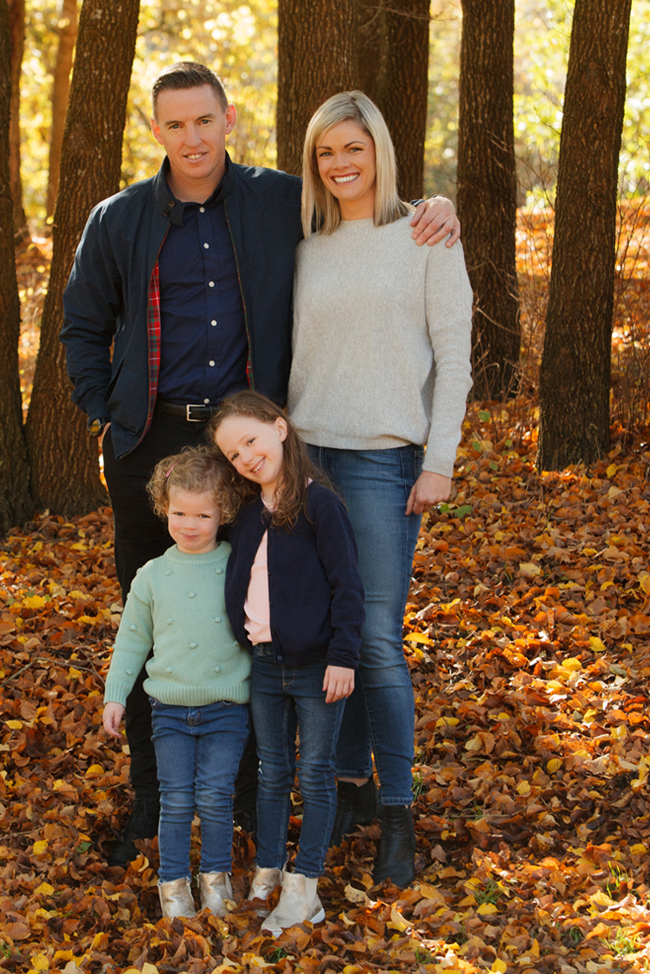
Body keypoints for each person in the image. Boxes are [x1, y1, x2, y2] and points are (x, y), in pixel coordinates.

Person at [60, 60, 459, 866]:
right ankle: (151, 795)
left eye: (204, 121)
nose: (191, 137)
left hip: (249, 453)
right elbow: (80, 328)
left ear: (228, 119)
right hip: (150, 447)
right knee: (159, 616)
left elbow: (363, 206)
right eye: (174, 124)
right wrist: (109, 412)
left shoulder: (279, 202)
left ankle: (253, 792)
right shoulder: (119, 219)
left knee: (255, 617)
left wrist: (436, 209)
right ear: (156, 130)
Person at [288, 91, 473, 888]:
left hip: (382, 460)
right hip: (306, 459)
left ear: (380, 150)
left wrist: (441, 459)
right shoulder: (302, 242)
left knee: (375, 641)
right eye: (326, 152)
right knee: (330, 634)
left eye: (353, 148)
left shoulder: (425, 234)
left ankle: (398, 811)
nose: (341, 164)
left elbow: (456, 357)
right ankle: (351, 792)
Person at [210, 390, 363, 936]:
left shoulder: (319, 504)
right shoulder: (249, 517)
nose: (246, 457)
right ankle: (269, 874)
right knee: (271, 772)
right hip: (266, 666)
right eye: (233, 454)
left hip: (319, 665)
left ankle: (305, 887)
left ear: (280, 428)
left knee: (315, 773)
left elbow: (348, 586)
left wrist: (344, 656)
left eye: (250, 440)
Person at [100, 447, 250, 920]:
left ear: (223, 512)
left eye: (203, 514)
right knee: (176, 798)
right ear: (164, 508)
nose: (190, 524)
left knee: (215, 795)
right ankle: (172, 885)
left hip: (227, 706)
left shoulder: (238, 567)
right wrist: (115, 695)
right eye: (179, 512)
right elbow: (130, 642)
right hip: (168, 710)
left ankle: (215, 877)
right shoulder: (151, 576)